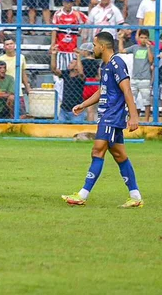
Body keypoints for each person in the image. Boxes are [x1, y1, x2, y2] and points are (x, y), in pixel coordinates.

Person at [61, 32, 143, 208]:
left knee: (97, 151)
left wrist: (134, 116)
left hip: (112, 116)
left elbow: (127, 90)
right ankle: (135, 196)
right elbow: (102, 91)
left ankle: (82, 194)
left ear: (103, 47)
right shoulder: (106, 65)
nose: (93, 48)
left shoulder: (117, 63)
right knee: (120, 155)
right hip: (107, 115)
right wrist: (83, 105)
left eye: (95, 45)